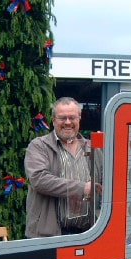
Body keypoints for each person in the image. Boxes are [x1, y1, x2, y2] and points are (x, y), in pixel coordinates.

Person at [24, 97, 102, 237]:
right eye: (62, 118)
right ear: (53, 120)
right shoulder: (39, 146)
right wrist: (82, 188)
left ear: (79, 119)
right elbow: (39, 179)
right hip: (50, 236)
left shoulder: (93, 148)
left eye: (72, 117)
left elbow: (108, 178)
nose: (67, 122)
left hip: (90, 234)